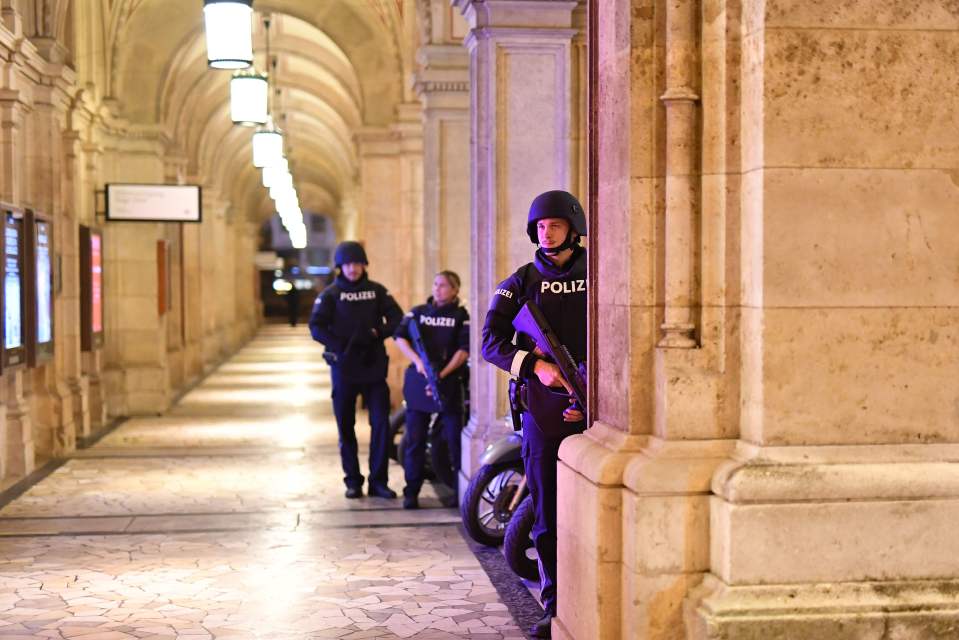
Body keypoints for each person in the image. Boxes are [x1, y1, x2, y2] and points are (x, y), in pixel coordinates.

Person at [481, 190, 587, 639]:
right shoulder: (520, 281)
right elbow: (490, 340)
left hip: (596, 404)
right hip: (542, 413)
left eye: (555, 225)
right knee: (546, 510)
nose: (547, 233)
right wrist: (536, 366)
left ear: (572, 228)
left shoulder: (598, 272)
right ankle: (555, 603)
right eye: (541, 227)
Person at [309, 241, 404, 499]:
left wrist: (376, 333)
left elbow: (397, 319)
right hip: (344, 369)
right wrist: (339, 345)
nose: (353, 269)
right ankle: (353, 481)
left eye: (357, 263)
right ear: (340, 267)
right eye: (348, 264)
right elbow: (316, 326)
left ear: (364, 265)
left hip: (373, 368)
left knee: (381, 426)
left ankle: (379, 481)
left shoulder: (377, 291)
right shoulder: (330, 294)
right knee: (346, 427)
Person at [393, 271, 470, 510]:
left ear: (455, 290)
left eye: (444, 285)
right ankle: (411, 492)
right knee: (414, 439)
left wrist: (443, 373)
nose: (438, 289)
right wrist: (417, 361)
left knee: (454, 440)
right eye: (435, 284)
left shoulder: (461, 316)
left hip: (448, 384)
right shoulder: (418, 313)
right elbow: (399, 337)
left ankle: (460, 493)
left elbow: (464, 350)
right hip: (418, 381)